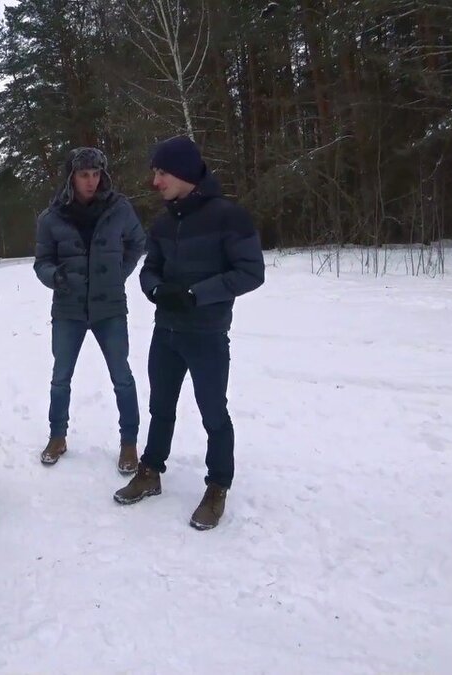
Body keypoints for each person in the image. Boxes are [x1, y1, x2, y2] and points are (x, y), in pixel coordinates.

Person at [113, 135, 265, 531]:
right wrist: (157, 289)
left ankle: (217, 487)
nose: (155, 181)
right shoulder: (164, 222)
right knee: (160, 407)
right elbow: (149, 269)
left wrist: (198, 295)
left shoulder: (228, 217)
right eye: (155, 173)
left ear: (181, 172)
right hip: (166, 332)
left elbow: (251, 272)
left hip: (207, 334)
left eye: (161, 172)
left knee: (213, 413)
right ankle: (151, 471)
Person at [33, 147, 145, 474]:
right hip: (68, 309)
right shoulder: (51, 218)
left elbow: (138, 242)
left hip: (109, 308)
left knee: (122, 377)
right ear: (71, 177)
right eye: (84, 175)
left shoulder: (119, 209)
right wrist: (56, 277)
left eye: (96, 174)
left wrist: (118, 272)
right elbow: (42, 263)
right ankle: (57, 436)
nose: (91, 181)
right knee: (60, 378)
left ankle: (129, 443)